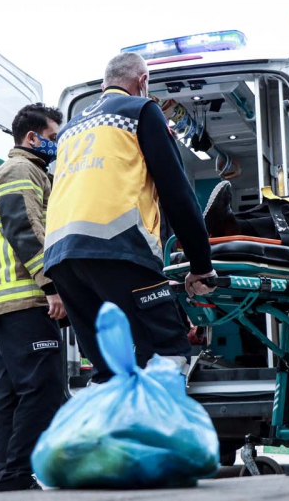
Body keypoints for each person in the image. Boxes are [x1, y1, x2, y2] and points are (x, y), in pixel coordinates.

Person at [45, 53, 216, 384]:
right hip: (116, 244)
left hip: (61, 259)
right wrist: (201, 265)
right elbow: (177, 194)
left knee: (109, 366)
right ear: (142, 82)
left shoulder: (69, 129)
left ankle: (113, 430)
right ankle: (157, 432)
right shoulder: (140, 111)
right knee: (167, 350)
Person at [0, 103, 65, 492]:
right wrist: (50, 285)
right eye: (52, 137)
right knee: (43, 388)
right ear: (31, 137)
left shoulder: (28, 171)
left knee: (12, 395)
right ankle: (16, 473)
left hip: (8, 302)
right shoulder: (20, 170)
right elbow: (24, 228)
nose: (56, 144)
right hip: (27, 296)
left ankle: (9, 475)